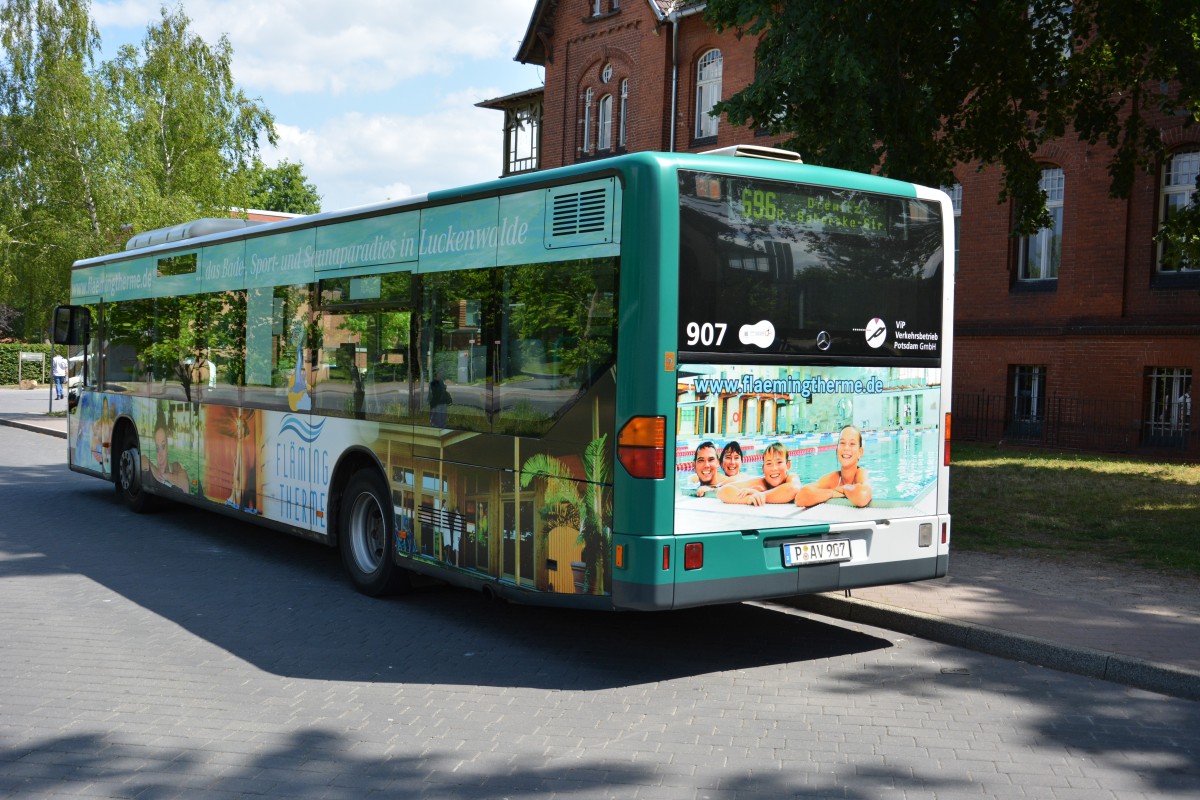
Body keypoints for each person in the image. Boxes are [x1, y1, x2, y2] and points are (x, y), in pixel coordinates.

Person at [794, 425, 873, 508]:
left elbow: (862, 496)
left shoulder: (861, 473)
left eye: (852, 444)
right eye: (842, 443)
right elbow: (800, 497)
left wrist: (844, 489)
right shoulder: (833, 478)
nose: (846, 448)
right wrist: (831, 493)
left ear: (860, 452)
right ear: (837, 449)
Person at [717, 442, 800, 506]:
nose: (774, 468)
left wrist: (760, 495)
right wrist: (748, 499)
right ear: (763, 469)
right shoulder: (760, 483)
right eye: (769, 463)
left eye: (779, 462)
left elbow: (793, 488)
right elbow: (723, 491)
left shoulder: (791, 477)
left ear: (788, 465)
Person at [143, 416, 190, 492]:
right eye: (157, 448)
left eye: (163, 446)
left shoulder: (175, 466)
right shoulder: (153, 467)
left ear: (168, 448)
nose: (160, 456)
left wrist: (166, 476)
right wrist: (153, 469)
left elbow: (185, 487)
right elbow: (141, 458)